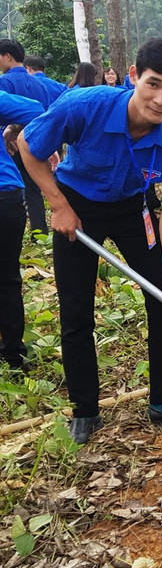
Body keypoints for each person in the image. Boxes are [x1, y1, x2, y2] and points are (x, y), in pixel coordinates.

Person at [18, 37, 162, 445]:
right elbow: (28, 145)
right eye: (153, 84)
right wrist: (57, 205)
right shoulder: (85, 105)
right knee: (76, 311)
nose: (161, 99)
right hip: (77, 204)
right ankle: (86, 412)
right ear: (133, 77)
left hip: (132, 207)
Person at [0, 92, 45, 370]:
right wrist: (13, 130)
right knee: (7, 279)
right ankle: (13, 356)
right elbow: (36, 108)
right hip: (5, 196)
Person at [0, 39, 51, 236]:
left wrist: (11, 128)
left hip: (10, 145)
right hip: (34, 141)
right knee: (33, 187)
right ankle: (40, 231)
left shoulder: (4, 82)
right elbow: (44, 112)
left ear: (7, 56)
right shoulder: (40, 84)